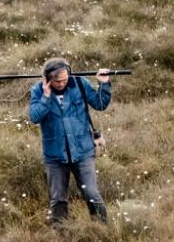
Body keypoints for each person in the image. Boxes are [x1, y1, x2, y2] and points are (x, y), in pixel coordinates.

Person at [27, 57, 114, 226]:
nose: (61, 84)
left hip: (83, 152)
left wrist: (104, 84)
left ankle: (102, 229)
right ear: (47, 79)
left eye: (65, 80)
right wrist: (46, 97)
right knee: (58, 199)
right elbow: (34, 117)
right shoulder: (38, 91)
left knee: (91, 193)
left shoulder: (80, 84)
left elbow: (100, 104)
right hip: (55, 156)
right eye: (57, 81)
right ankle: (61, 234)